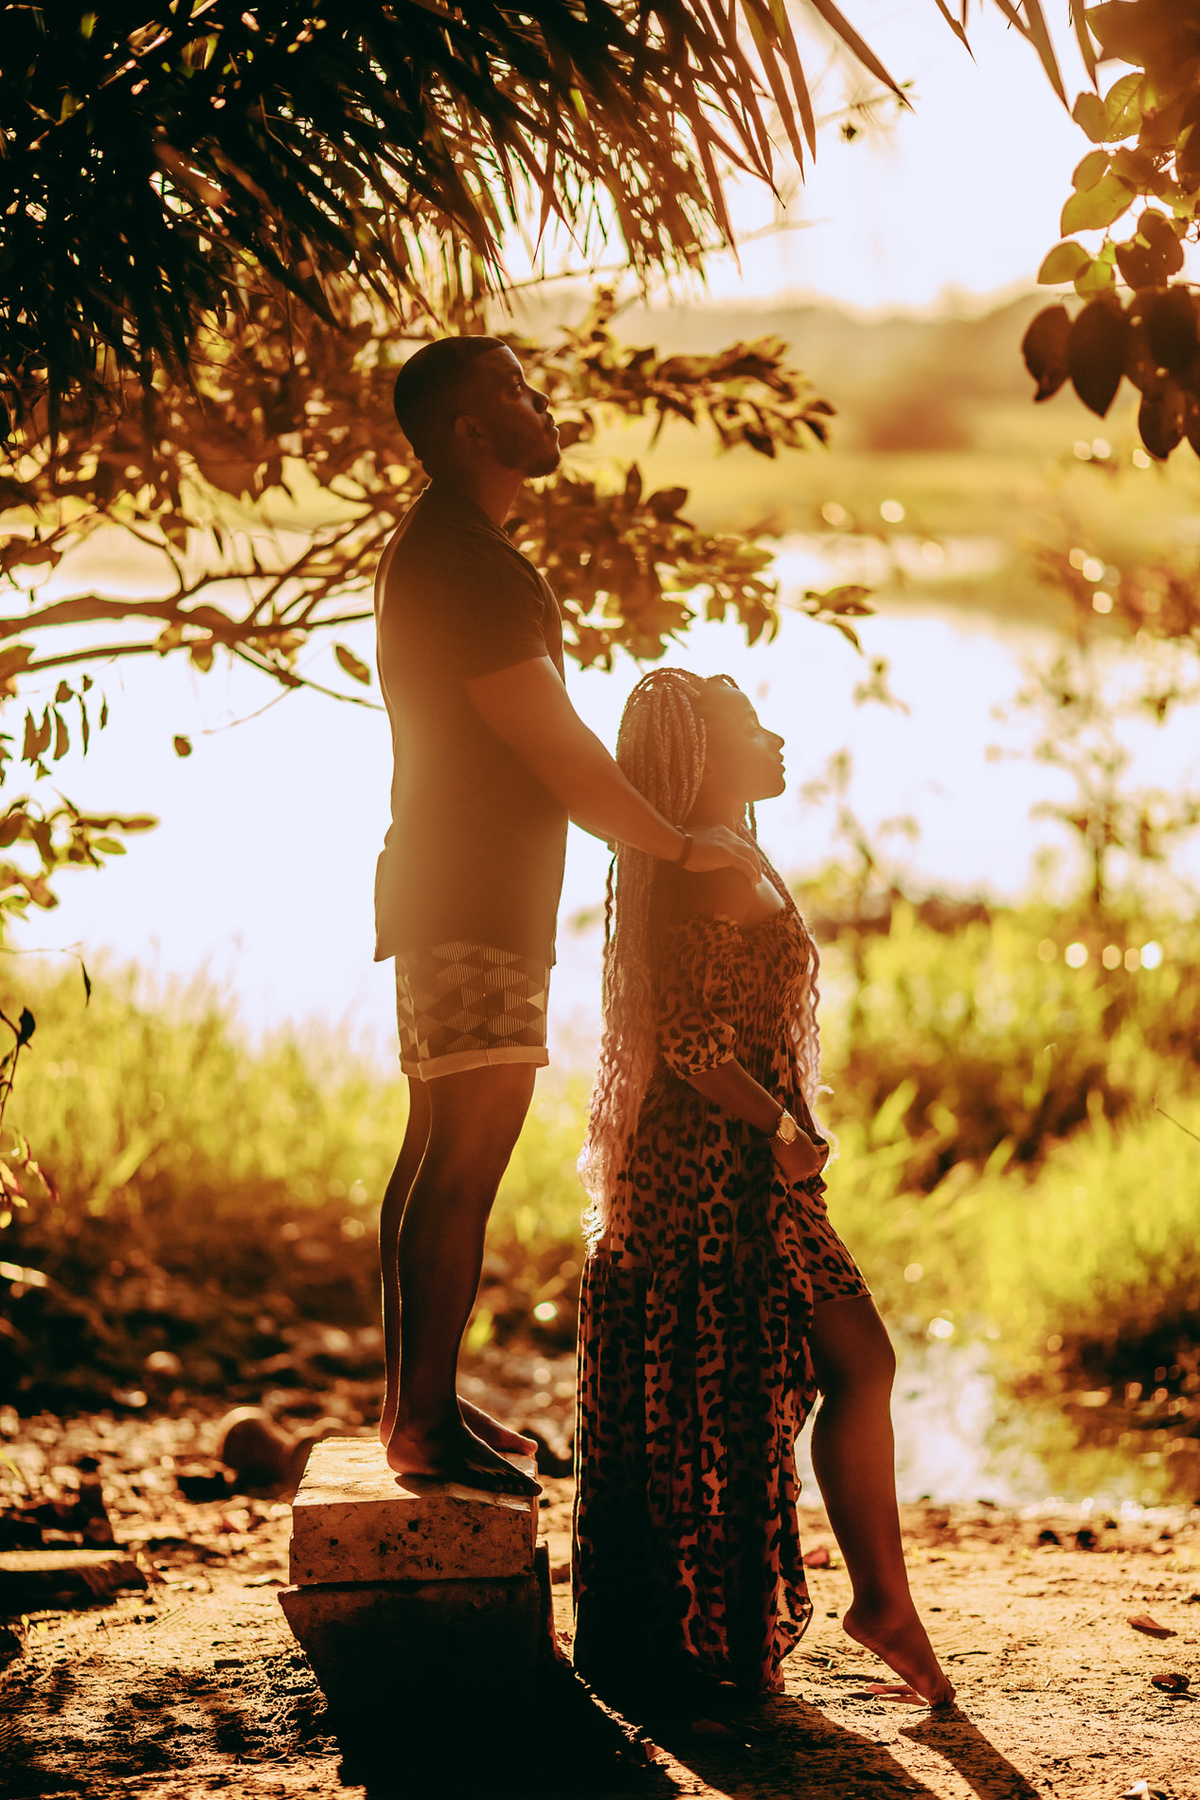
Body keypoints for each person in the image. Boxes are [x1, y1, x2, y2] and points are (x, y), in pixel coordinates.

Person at [373, 337, 760, 1497]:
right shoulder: (467, 564)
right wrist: (679, 842)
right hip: (474, 894)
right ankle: (419, 1425)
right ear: (467, 432)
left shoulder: (453, 548)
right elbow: (555, 745)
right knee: (463, 1152)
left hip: (451, 884)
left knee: (435, 1146)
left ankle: (414, 1407)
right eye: (511, 390)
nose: (539, 402)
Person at [573, 669, 955, 1709]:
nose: (776, 740)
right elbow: (693, 1042)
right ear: (700, 755)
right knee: (835, 1367)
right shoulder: (706, 869)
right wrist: (783, 1130)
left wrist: (783, 1134)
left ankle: (873, 1604)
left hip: (739, 1171)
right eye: (750, 728)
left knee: (789, 1381)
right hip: (716, 1179)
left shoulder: (716, 854)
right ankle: (865, 1606)